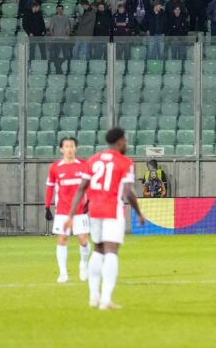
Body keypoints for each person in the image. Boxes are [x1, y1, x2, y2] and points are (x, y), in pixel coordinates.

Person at [65, 128, 145, 310]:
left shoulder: (93, 160)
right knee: (111, 251)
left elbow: (81, 188)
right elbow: (127, 192)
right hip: (112, 210)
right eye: (125, 140)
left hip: (94, 210)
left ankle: (93, 296)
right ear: (119, 142)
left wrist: (71, 215)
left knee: (98, 250)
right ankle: (106, 299)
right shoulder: (125, 162)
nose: (126, 143)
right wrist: (139, 212)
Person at [44, 137, 90, 283]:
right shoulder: (55, 167)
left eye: (72, 146)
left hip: (80, 210)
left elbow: (90, 185)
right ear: (61, 149)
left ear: (76, 148)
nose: (69, 149)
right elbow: (50, 187)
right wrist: (47, 206)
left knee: (83, 240)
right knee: (62, 239)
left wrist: (90, 201)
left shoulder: (83, 165)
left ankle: (83, 264)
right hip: (62, 211)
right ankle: (63, 273)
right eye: (67, 146)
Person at [48, 4, 72, 75]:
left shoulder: (66, 18)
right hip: (56, 39)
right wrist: (52, 36)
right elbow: (51, 28)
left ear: (63, 10)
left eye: (61, 9)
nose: (59, 10)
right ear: (56, 10)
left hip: (64, 39)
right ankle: (57, 69)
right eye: (58, 9)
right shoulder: (53, 18)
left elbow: (68, 27)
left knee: (65, 55)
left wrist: (68, 35)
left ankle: (63, 69)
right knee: (56, 55)